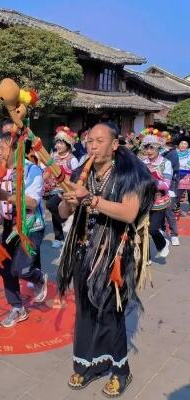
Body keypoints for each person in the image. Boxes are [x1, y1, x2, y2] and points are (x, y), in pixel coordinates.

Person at [57, 123, 155, 397]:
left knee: (112, 315)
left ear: (114, 145)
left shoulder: (129, 174)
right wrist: (69, 201)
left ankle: (121, 371)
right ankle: (88, 365)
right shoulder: (81, 172)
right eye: (89, 141)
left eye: (99, 141)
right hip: (81, 253)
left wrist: (91, 199)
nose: (92, 146)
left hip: (114, 257)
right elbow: (64, 213)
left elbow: (128, 212)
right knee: (85, 311)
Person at [0, 134, 47, 328]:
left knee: (22, 269)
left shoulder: (32, 170)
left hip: (30, 225)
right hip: (9, 225)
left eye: (2, 147)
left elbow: (32, 202)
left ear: (16, 150)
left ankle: (39, 277)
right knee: (5, 268)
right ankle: (17, 307)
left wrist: (6, 196)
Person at [44, 126, 78, 248]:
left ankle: (65, 219)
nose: (58, 145)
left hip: (65, 190)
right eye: (57, 142)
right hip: (52, 188)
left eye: (61, 143)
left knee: (51, 205)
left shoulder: (72, 159)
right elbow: (47, 171)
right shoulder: (53, 156)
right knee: (54, 212)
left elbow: (77, 178)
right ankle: (59, 238)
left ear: (68, 145)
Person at [140, 129, 172, 259]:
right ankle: (145, 258)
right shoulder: (142, 163)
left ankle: (163, 243)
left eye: (152, 148)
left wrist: (150, 182)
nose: (149, 151)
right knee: (142, 230)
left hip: (159, 202)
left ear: (158, 148)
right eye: (147, 148)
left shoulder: (166, 163)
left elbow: (166, 185)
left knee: (153, 229)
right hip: (144, 201)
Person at [161, 133, 180, 246]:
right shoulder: (163, 152)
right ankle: (162, 230)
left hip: (170, 185)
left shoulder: (172, 154)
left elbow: (167, 169)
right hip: (159, 186)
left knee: (169, 211)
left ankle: (174, 235)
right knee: (158, 211)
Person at [177, 139, 190, 216]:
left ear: (187, 146)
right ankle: (177, 210)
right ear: (179, 145)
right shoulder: (175, 153)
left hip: (189, 175)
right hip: (178, 176)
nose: (183, 145)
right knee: (177, 195)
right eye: (181, 143)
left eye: (185, 144)